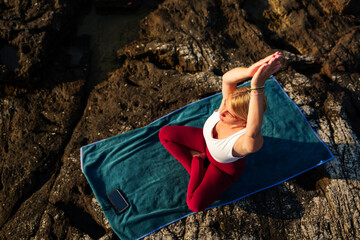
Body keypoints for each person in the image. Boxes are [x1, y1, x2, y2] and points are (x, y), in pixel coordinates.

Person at [159, 52, 282, 212]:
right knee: (165, 134)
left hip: (222, 168)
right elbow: (227, 79)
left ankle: (198, 163)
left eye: (229, 113)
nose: (221, 111)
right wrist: (250, 71)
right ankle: (199, 165)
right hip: (204, 143)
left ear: (244, 121)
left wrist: (257, 87)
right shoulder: (227, 105)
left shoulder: (244, 141)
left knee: (194, 204)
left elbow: (254, 129)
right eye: (225, 105)